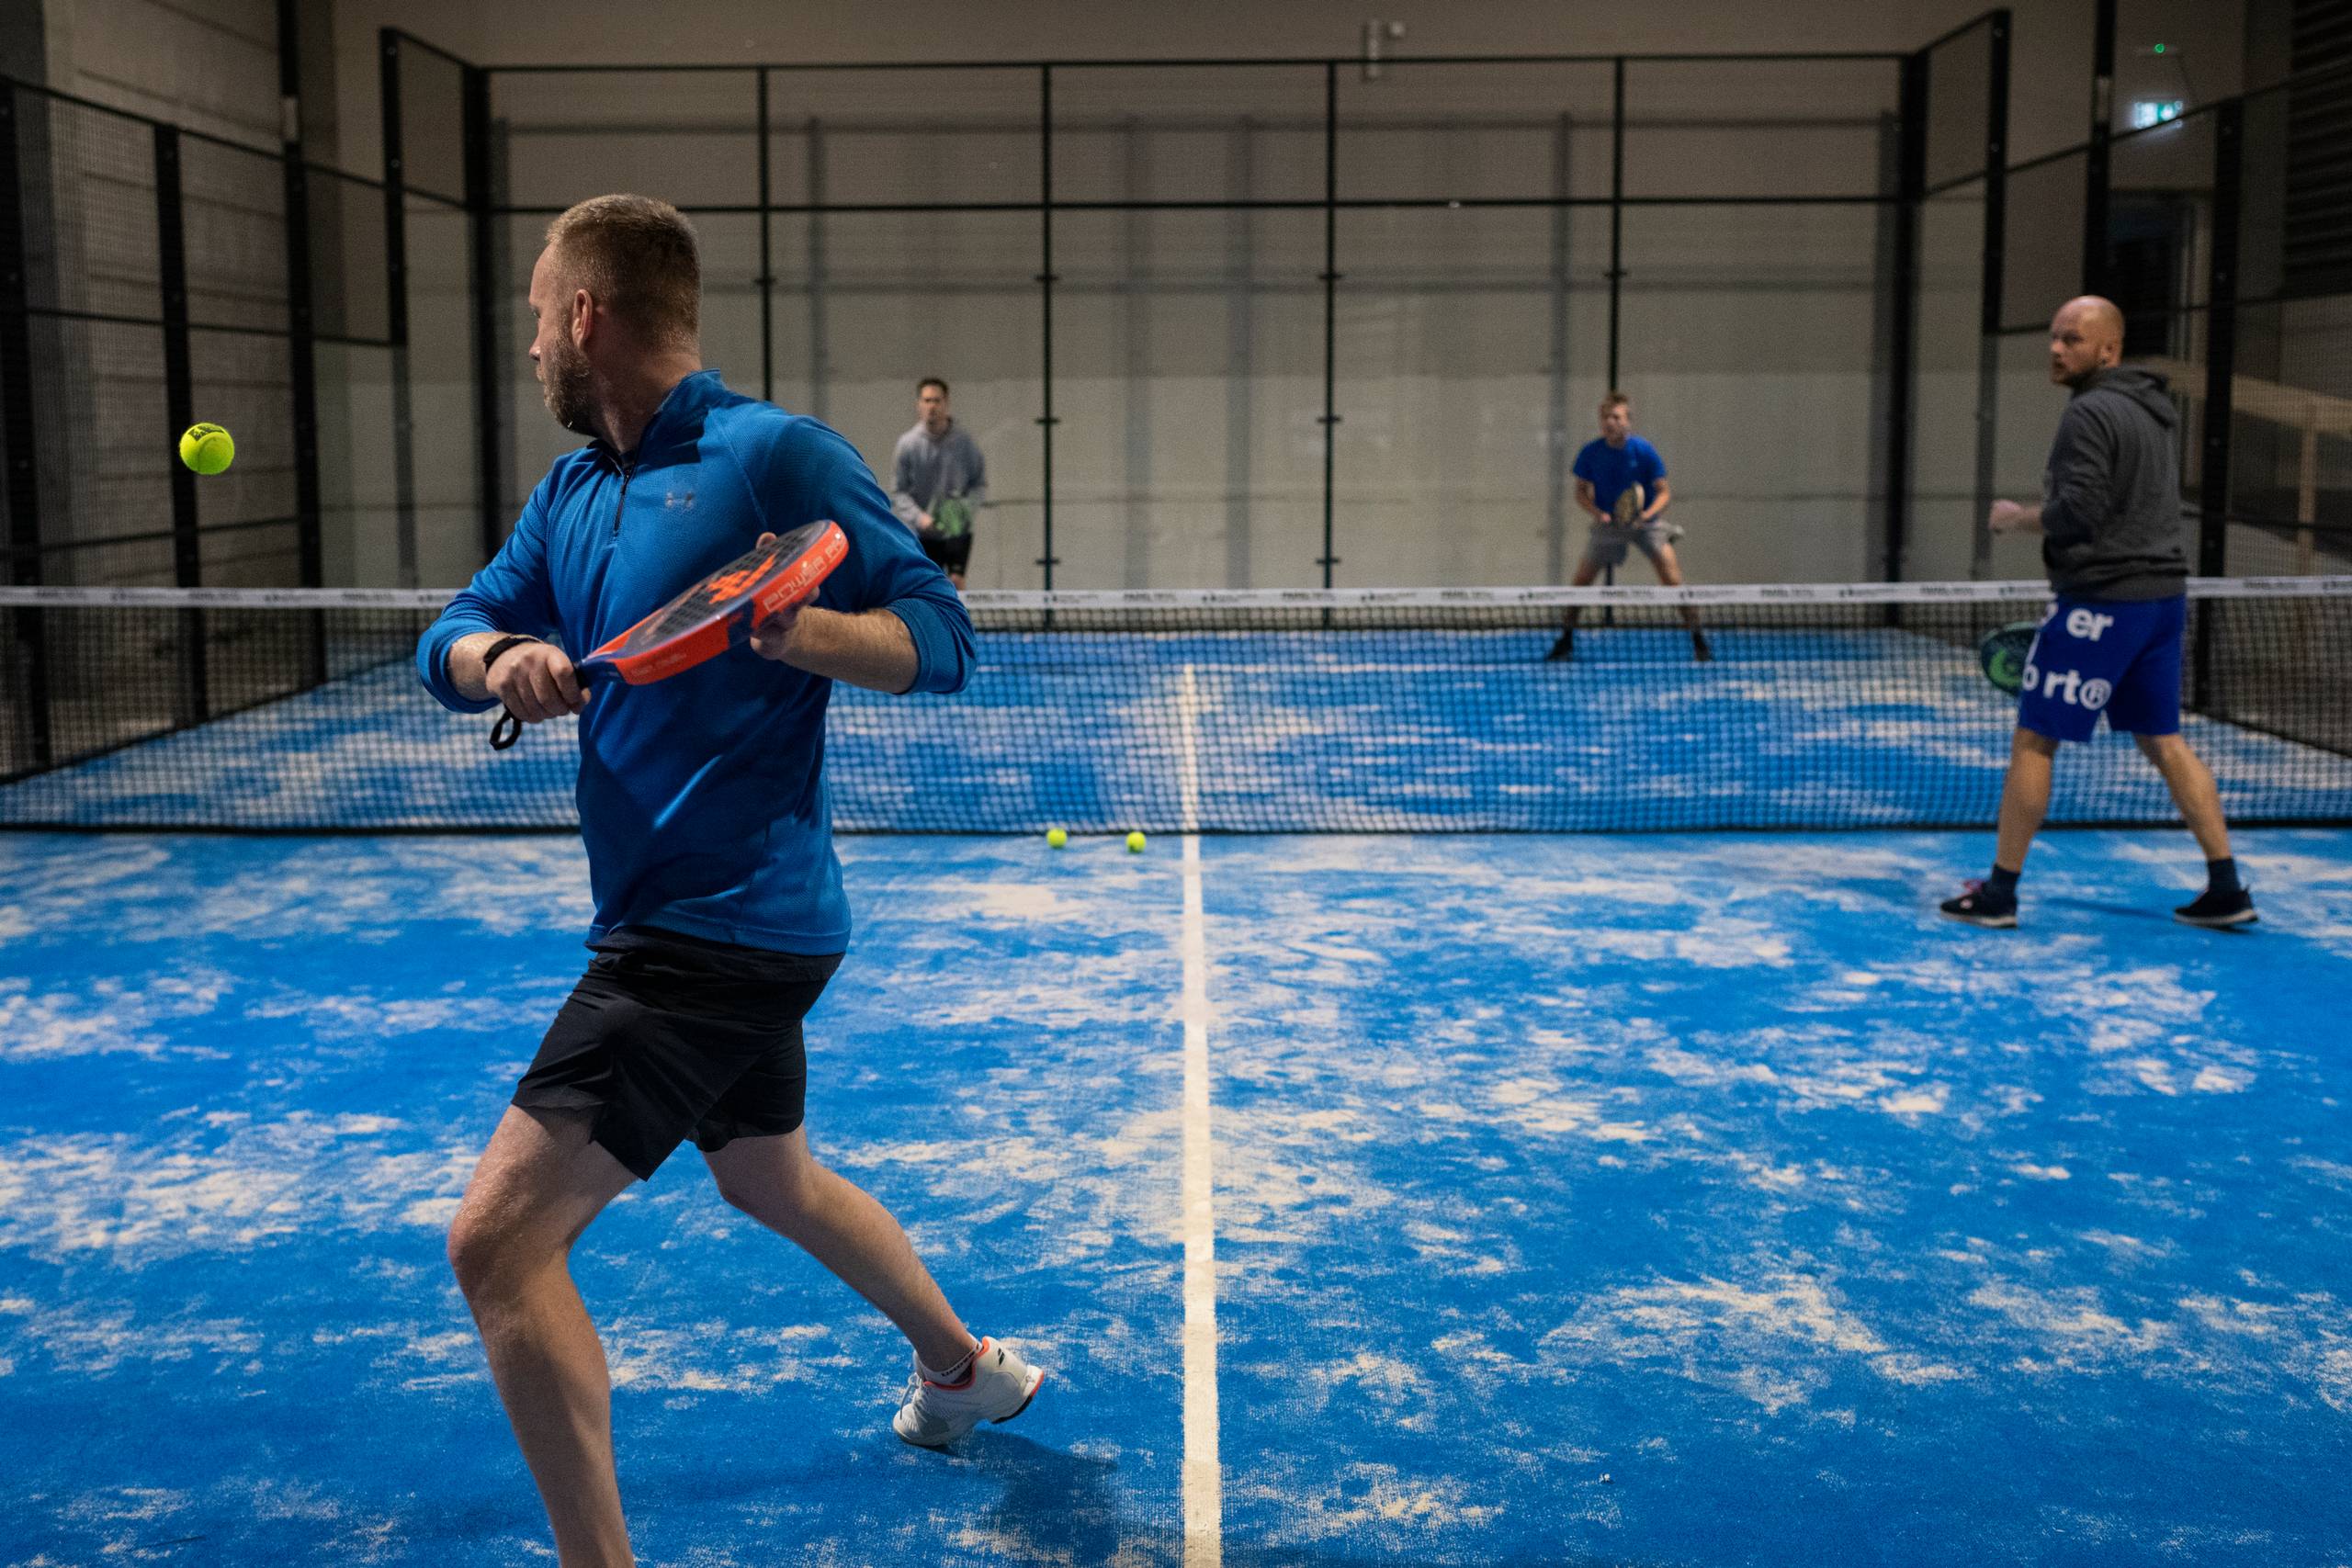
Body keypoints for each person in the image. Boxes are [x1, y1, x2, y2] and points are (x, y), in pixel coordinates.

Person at [415, 195, 1041, 1567]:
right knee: (769, 1175)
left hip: (720, 929)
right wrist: (497, 660)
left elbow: (943, 636)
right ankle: (964, 1370)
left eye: (539, 315)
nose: (533, 343)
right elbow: (451, 629)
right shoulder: (571, 494)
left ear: (588, 314)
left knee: (498, 1245)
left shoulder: (773, 457)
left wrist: (800, 630)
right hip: (684, 916)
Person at [1940, 295, 2256, 931]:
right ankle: (2227, 887)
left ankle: (1999, 894)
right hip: (2162, 601)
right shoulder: (2152, 411)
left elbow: (2078, 511)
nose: (2057, 349)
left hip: (2103, 602)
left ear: (2108, 350)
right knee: (2163, 739)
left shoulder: (2088, 413)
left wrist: (2016, 519)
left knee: (2035, 738)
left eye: (2073, 340)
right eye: (2055, 337)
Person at [1544, 392, 1711, 662]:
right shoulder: (1590, 452)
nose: (1610, 422)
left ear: (1627, 422)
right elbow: (1580, 493)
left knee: (1673, 581)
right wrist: (1597, 513)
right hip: (1608, 526)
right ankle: (1565, 640)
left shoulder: (1644, 451)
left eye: (1616, 417)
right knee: (1580, 582)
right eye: (1605, 417)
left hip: (1646, 525)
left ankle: (1699, 640)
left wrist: (1647, 514)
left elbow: (1664, 492)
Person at [889, 377, 987, 589]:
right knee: (926, 586)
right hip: (921, 534)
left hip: (957, 531)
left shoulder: (965, 442)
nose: (931, 406)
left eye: (936, 400)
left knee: (956, 584)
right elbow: (899, 491)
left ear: (946, 403)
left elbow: (979, 484)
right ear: (919, 405)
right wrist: (919, 517)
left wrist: (963, 511)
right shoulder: (908, 444)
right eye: (927, 400)